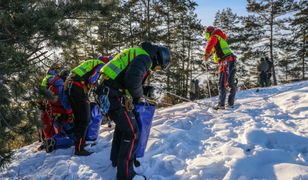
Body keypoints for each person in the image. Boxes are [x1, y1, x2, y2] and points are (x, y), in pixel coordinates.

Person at [97, 42, 170, 180]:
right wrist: (140, 95)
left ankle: (117, 160)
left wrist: (143, 90)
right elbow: (132, 81)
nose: (156, 69)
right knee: (132, 132)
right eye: (159, 67)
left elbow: (127, 78)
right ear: (159, 58)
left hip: (108, 91)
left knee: (123, 127)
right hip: (111, 93)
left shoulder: (138, 53)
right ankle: (126, 174)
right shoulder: (145, 58)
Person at [66, 58, 107, 156]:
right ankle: (79, 148)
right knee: (85, 120)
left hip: (70, 88)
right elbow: (93, 80)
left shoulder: (91, 63)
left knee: (78, 119)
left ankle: (78, 144)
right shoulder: (101, 65)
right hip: (78, 89)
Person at [38, 64, 73, 150]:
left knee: (61, 133)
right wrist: (70, 113)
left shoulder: (49, 82)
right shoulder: (59, 83)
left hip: (53, 114)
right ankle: (53, 141)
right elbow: (64, 101)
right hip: (63, 115)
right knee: (74, 139)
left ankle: (48, 140)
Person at [203, 26, 237, 110]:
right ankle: (230, 103)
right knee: (230, 83)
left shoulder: (214, 36)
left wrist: (206, 54)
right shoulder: (220, 38)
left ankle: (221, 104)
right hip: (232, 61)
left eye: (206, 34)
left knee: (222, 83)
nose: (205, 36)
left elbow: (210, 44)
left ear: (209, 33)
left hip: (225, 61)